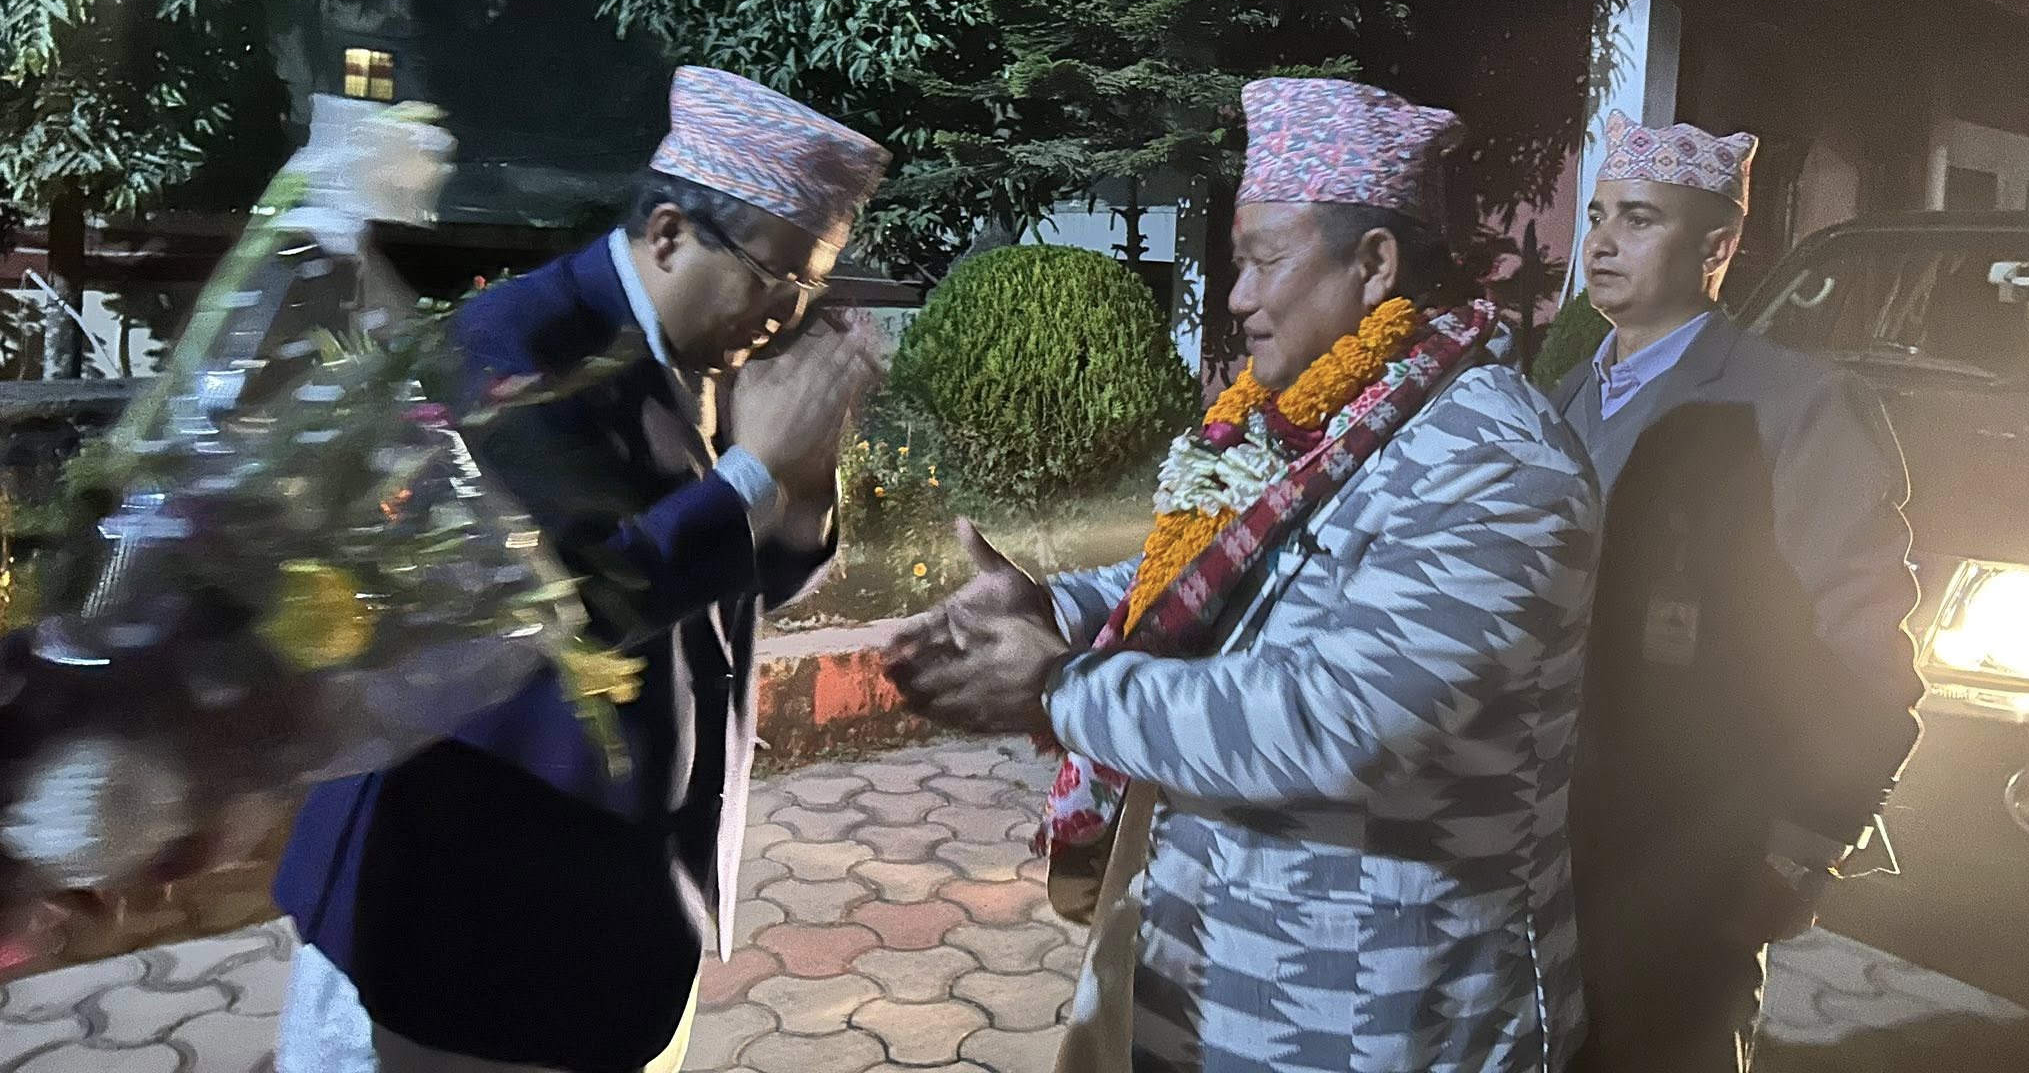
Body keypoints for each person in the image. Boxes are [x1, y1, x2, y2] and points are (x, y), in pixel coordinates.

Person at [889, 78, 1602, 1073]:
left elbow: (1339, 720)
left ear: (1373, 264)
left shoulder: (1494, 461)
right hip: (1220, 982)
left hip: (1386, 1016)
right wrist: (1057, 604)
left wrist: (1059, 687)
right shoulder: (1323, 419)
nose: (1237, 298)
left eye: (1264, 261)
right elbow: (1224, 575)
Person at [270, 67, 889, 1073]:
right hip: (450, 924)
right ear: (670, 233)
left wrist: (802, 483)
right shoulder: (512, 349)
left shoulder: (701, 355)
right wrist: (750, 476)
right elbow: (559, 615)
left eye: (810, 288)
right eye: (773, 277)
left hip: (612, 919)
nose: (785, 316)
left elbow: (726, 594)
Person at [1552, 111, 1924, 1073]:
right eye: (1597, 215)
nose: (1603, 242)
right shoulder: (1560, 400)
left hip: (1690, 846)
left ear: (1716, 247)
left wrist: (1803, 845)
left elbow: (1860, 649)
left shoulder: (1794, 402)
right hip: (1545, 838)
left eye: (1639, 218)